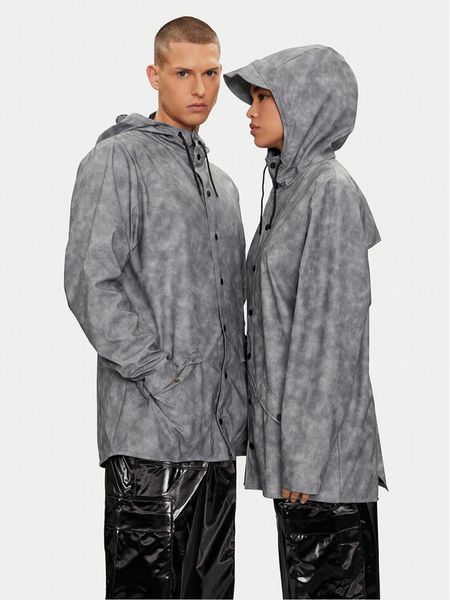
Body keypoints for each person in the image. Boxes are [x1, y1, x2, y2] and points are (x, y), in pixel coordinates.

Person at [64, 16, 247, 600]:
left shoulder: (223, 186)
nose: (200, 88)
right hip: (148, 445)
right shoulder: (119, 161)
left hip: (216, 444)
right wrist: (161, 377)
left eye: (211, 74)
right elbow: (89, 283)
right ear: (154, 75)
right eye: (184, 73)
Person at [224, 45, 389, 599]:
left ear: (306, 104)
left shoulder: (329, 194)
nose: (250, 111)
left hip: (322, 469)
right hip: (302, 462)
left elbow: (328, 340)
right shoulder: (290, 192)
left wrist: (305, 458)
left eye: (264, 98)